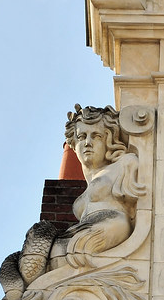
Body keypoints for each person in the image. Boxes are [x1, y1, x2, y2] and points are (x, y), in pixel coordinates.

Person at [49, 105, 146, 269]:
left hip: (111, 226)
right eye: (81, 136)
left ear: (109, 140)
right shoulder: (90, 184)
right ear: (73, 143)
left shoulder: (125, 163)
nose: (87, 143)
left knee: (59, 253)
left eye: (96, 136)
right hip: (84, 231)